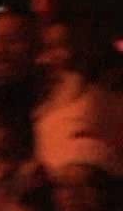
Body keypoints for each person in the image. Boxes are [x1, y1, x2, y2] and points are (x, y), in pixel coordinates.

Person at [33, 15, 122, 174]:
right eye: (46, 48)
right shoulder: (44, 97)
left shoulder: (99, 100)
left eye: (59, 46)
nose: (47, 58)